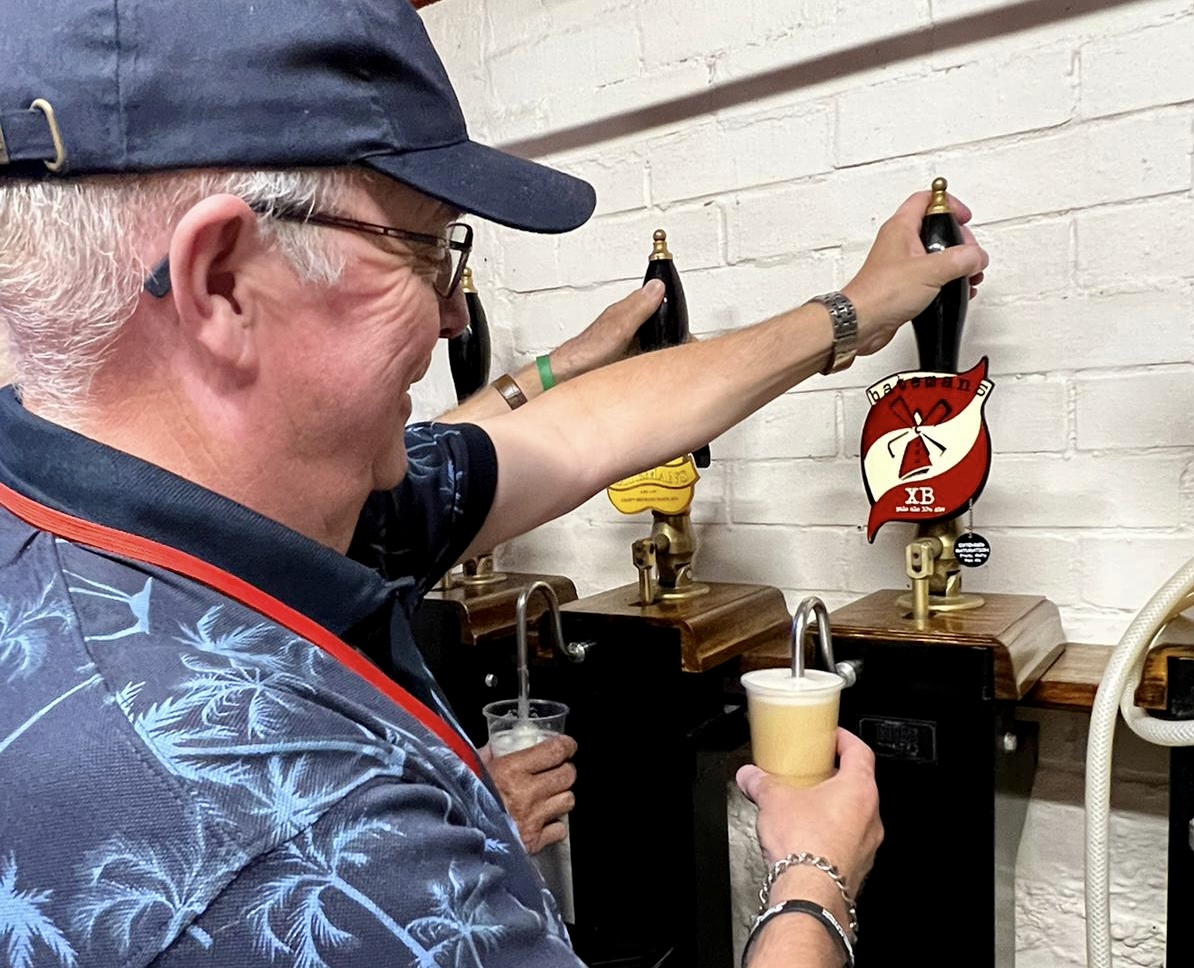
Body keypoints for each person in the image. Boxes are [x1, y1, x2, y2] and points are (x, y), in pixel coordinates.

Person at [0, 4, 986, 968]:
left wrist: (853, 310)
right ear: (223, 280)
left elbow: (581, 432)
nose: (453, 320)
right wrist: (814, 877)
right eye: (425, 248)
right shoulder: (312, 850)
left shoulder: (177, 514)